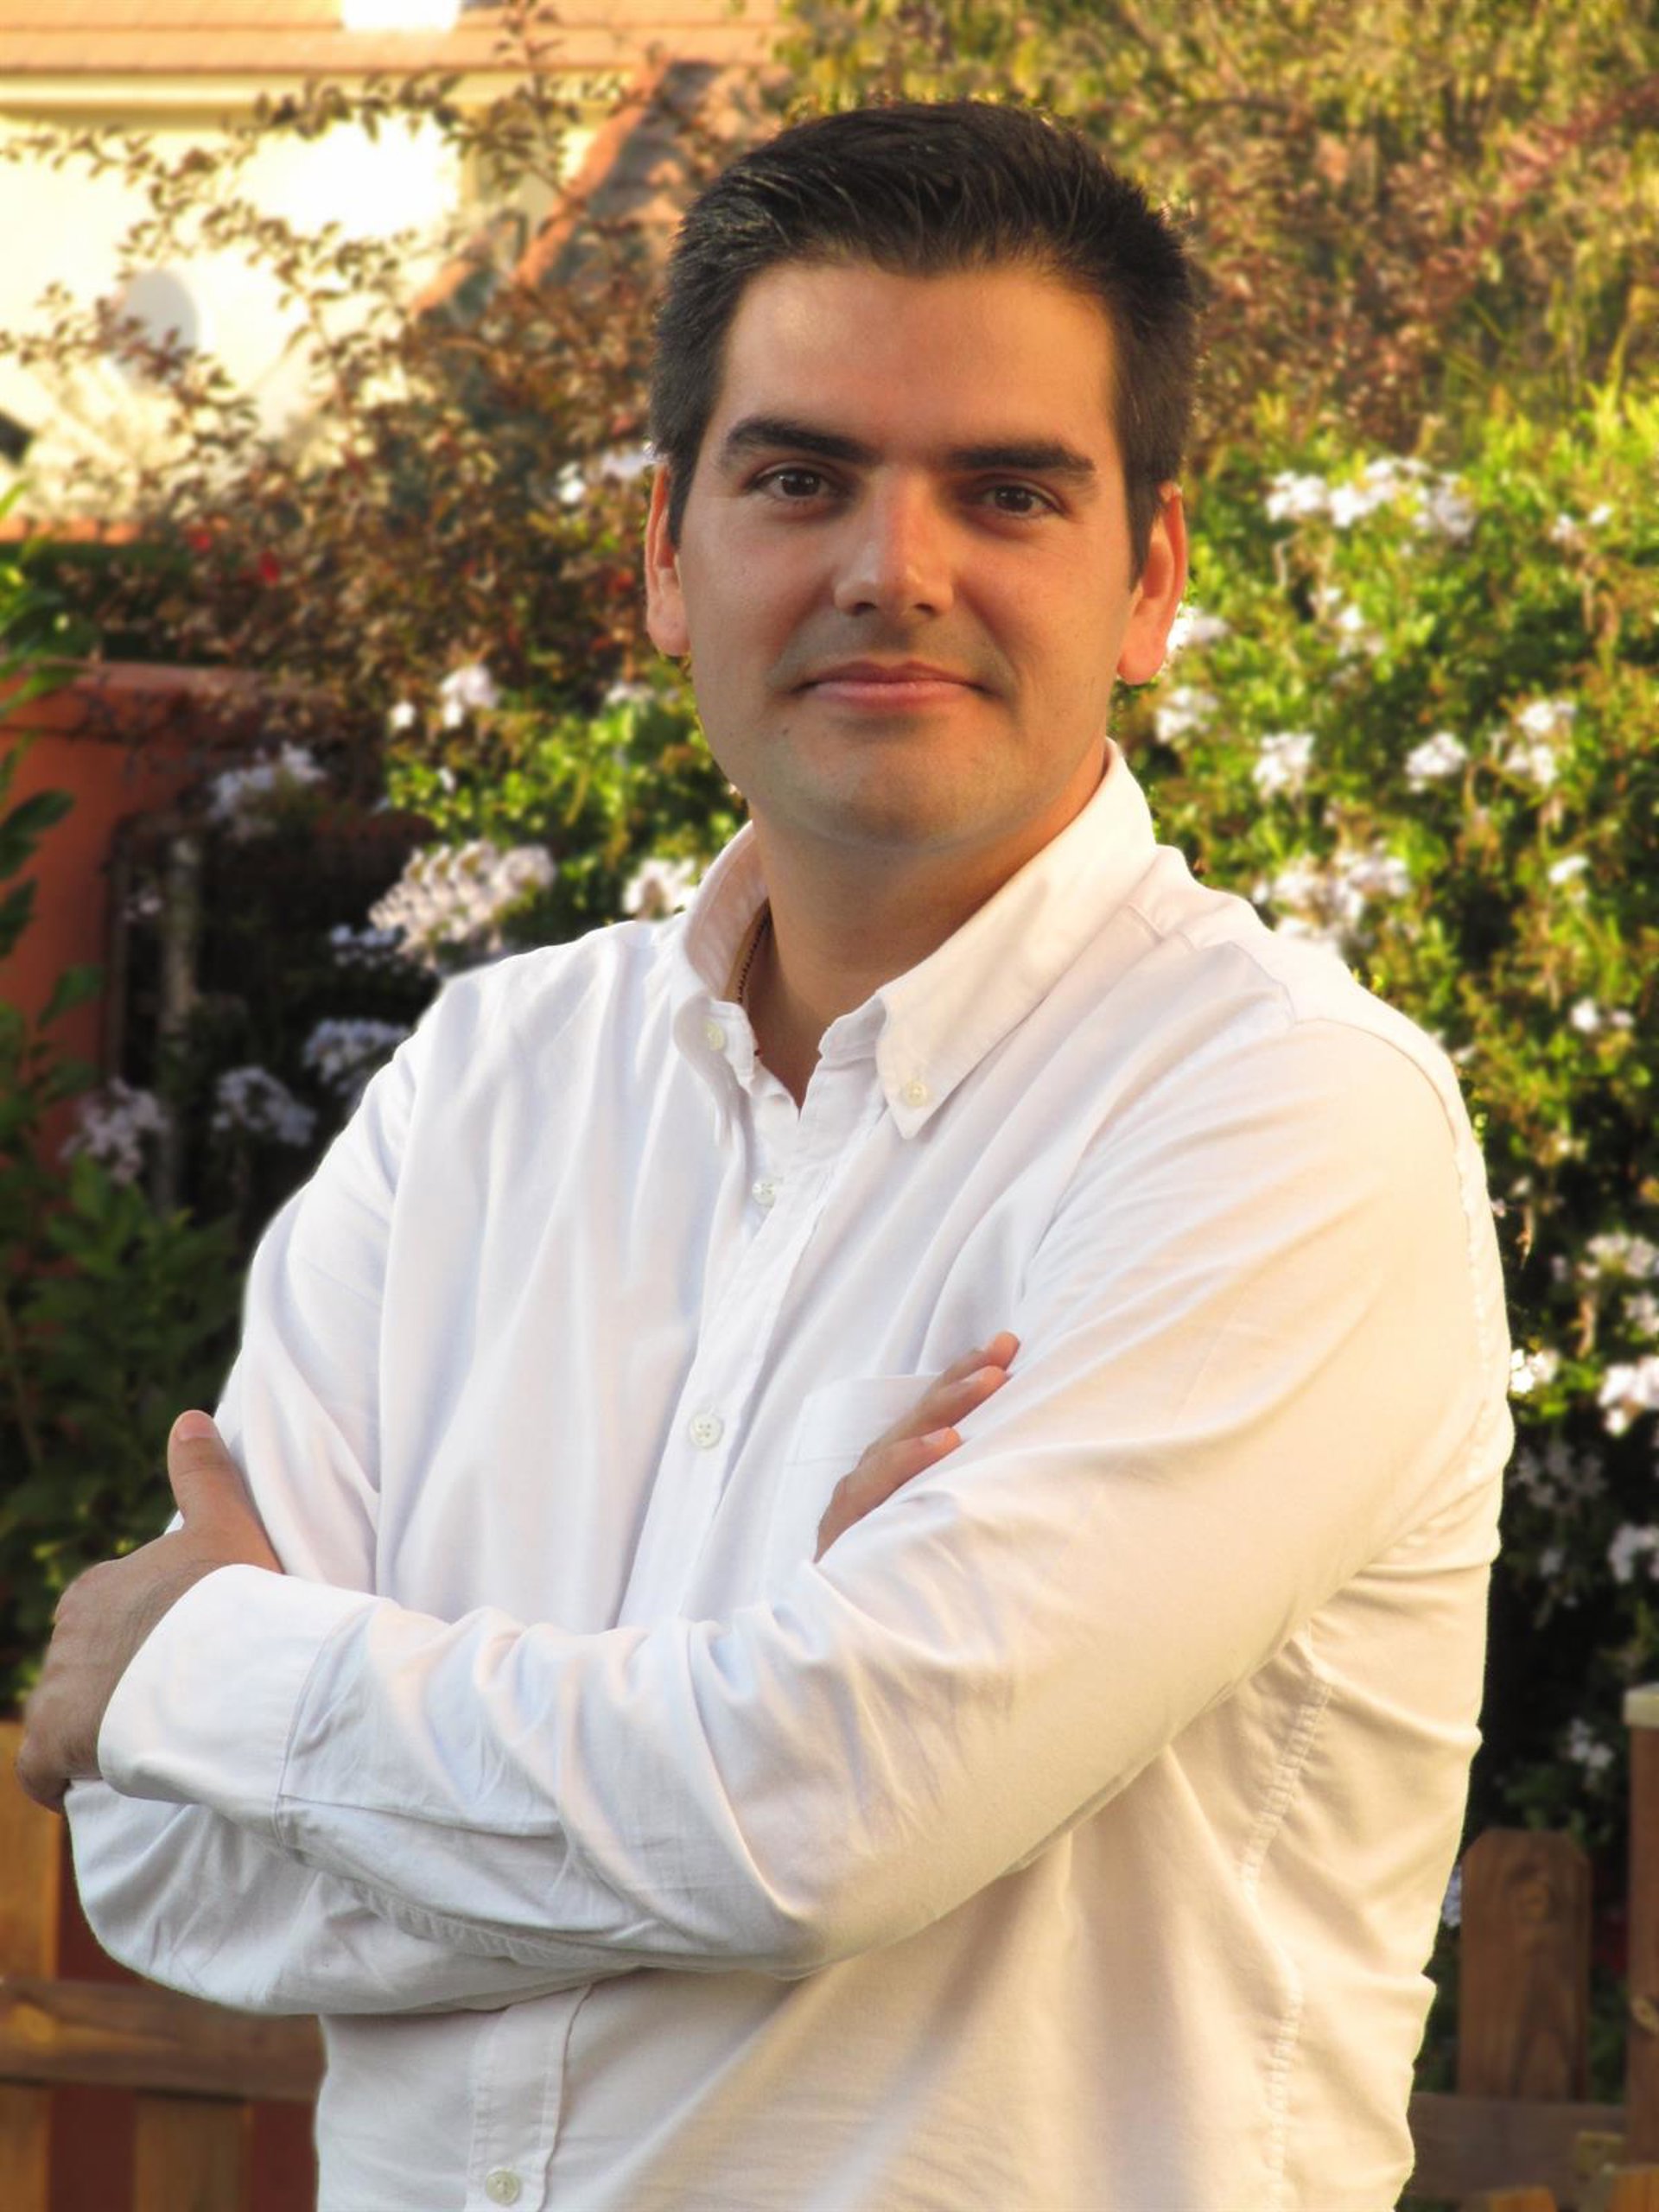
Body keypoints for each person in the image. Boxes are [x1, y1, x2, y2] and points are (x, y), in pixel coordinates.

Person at [19, 99, 1511, 2211]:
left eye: (1008, 491)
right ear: (665, 550)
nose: (893, 568)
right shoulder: (487, 1086)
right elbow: (168, 1853)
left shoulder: (1285, 1119)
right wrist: (721, 1739)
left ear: (1154, 579)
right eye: (800, 477)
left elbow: (812, 1820)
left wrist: (200, 1665)